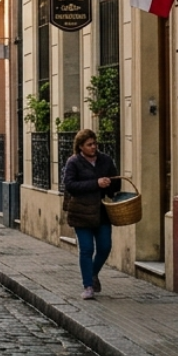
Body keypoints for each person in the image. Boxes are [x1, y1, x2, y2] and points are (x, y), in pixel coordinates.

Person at [62, 128, 120, 300]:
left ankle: (93, 273)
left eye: (95, 143)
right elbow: (70, 185)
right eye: (89, 144)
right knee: (86, 249)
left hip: (102, 211)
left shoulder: (105, 160)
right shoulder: (74, 162)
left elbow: (116, 185)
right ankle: (88, 286)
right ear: (80, 147)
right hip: (81, 212)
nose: (93, 147)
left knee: (105, 247)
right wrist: (95, 183)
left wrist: (109, 184)